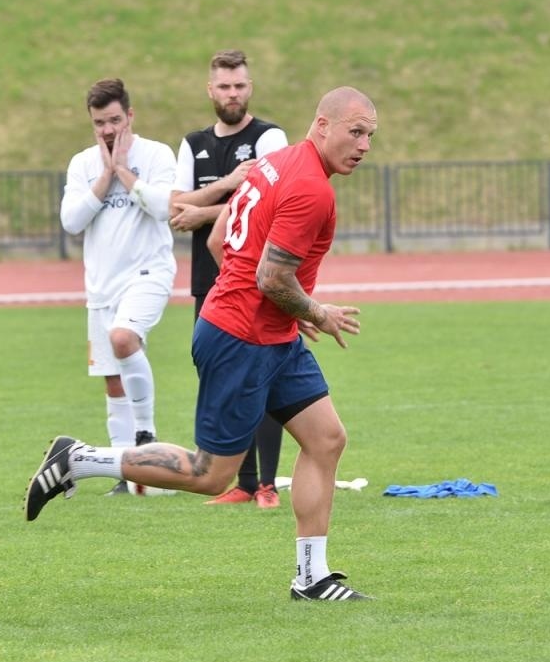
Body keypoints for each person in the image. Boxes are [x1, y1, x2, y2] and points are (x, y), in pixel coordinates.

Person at [26, 87, 378, 602]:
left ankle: (312, 577)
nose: (365, 144)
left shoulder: (273, 163)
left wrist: (288, 308)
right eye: (356, 131)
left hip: (266, 333)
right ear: (322, 125)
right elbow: (272, 278)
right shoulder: (311, 189)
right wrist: (316, 311)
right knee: (210, 474)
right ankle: (78, 458)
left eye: (371, 135)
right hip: (243, 339)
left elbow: (220, 244)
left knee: (326, 440)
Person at [171, 50, 290, 509]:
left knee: (265, 378)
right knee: (222, 379)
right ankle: (242, 482)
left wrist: (203, 211)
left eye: (240, 85)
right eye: (224, 86)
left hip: (258, 277)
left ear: (250, 87)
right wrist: (225, 186)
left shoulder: (269, 136)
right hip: (210, 279)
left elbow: (270, 203)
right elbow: (176, 205)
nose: (233, 94)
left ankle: (267, 485)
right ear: (210, 90)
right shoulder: (193, 142)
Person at [59, 78, 179, 497]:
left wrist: (124, 172)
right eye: (99, 123)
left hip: (148, 273)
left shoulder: (157, 154)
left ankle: (146, 437)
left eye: (114, 120)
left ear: (130, 116)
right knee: (112, 380)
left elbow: (166, 208)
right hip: (101, 287)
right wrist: (104, 177)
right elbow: (71, 221)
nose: (107, 130)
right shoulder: (83, 164)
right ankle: (125, 475)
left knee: (124, 339)